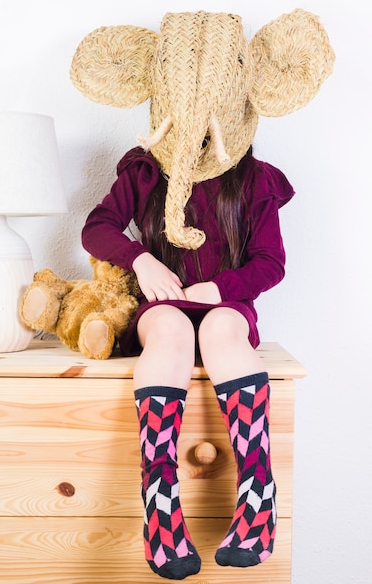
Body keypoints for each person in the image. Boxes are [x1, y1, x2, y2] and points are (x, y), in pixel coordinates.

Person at [81, 144, 295, 579]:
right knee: (170, 326)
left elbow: (271, 262)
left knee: (220, 327)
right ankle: (159, 502)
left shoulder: (254, 178)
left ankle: (259, 491)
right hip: (165, 308)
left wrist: (219, 289)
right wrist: (140, 260)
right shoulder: (146, 171)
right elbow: (96, 228)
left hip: (225, 307)